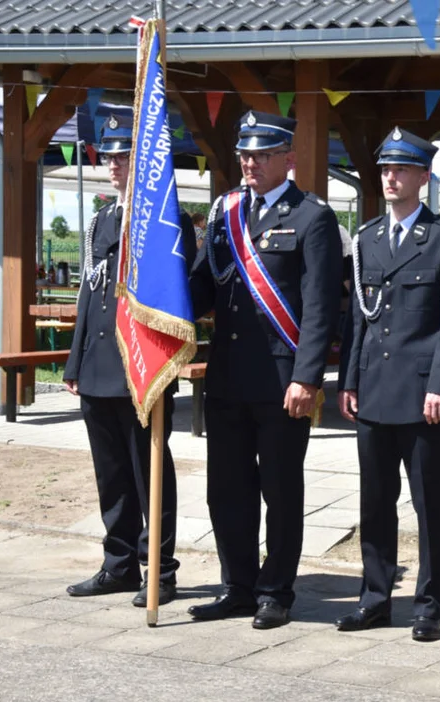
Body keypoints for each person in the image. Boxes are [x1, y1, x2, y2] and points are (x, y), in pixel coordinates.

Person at [187, 110, 342, 630]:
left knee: (279, 489)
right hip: (228, 375)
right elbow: (204, 286)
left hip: (281, 381)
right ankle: (238, 585)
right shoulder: (225, 212)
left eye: (261, 155)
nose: (250, 164)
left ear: (288, 160)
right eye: (245, 155)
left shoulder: (313, 217)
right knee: (226, 488)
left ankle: (276, 590)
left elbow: (321, 306)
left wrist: (308, 377)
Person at [337, 127, 440, 643]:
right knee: (374, 503)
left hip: (422, 398)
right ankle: (375, 598)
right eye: (385, 170)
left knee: (427, 504)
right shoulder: (367, 238)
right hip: (373, 389)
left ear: (423, 176)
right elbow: (360, 321)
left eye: (401, 170)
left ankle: (429, 605)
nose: (391, 178)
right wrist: (349, 379)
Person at [62, 115, 196, 607]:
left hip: (141, 369)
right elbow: (89, 295)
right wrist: (75, 362)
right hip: (99, 365)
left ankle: (159, 569)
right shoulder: (101, 219)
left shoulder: (166, 222)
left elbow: (174, 299)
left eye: (125, 158)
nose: (115, 166)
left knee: (149, 473)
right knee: (111, 474)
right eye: (111, 157)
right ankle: (117, 563)